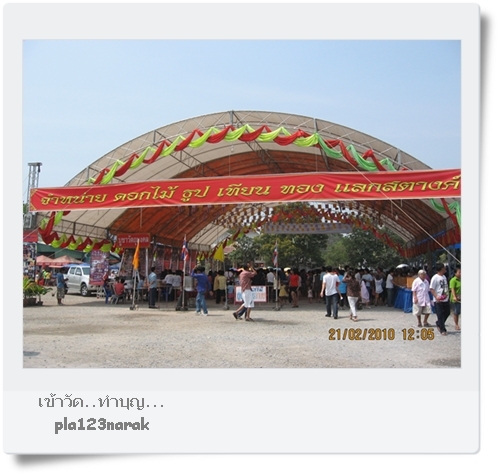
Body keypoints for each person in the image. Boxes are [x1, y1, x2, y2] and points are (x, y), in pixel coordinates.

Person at [430, 263, 450, 336]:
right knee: (440, 314)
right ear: (441, 269)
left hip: (445, 298)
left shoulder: (444, 276)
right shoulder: (435, 278)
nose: (445, 269)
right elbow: (431, 288)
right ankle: (442, 329)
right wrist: (436, 296)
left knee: (447, 312)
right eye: (444, 268)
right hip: (438, 299)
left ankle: (439, 323)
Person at [449, 266, 461, 331]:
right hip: (457, 298)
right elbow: (452, 289)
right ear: (455, 273)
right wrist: (454, 297)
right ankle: (456, 324)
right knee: (456, 312)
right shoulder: (453, 280)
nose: (461, 273)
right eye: (459, 272)